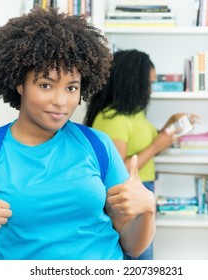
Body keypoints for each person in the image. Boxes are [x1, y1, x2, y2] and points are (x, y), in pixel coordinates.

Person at [0, 8, 156, 260]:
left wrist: (147, 211)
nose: (60, 100)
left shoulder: (97, 145)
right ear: (19, 83)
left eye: (71, 87)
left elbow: (133, 246)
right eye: (46, 85)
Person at [84, 49, 198, 260]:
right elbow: (117, 171)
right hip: (127, 197)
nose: (150, 91)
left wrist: (171, 125)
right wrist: (156, 145)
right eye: (148, 84)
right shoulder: (111, 119)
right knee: (139, 259)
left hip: (143, 193)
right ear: (131, 81)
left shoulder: (135, 114)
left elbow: (150, 145)